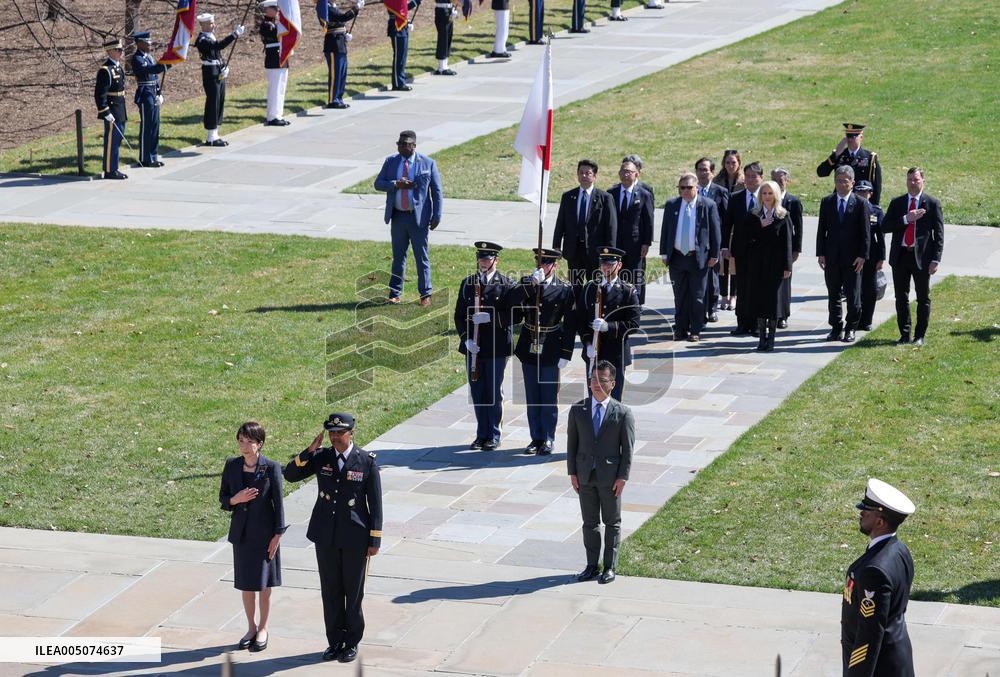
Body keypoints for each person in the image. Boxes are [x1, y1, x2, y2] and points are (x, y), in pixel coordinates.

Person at [283, 413, 382, 664]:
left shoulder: (366, 461)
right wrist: (308, 451)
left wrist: (374, 540)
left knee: (353, 591)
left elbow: (376, 505)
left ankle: (351, 642)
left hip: (355, 537)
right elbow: (290, 474)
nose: (335, 437)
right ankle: (334, 641)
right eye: (331, 433)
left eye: (340, 433)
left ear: (351, 433)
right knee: (330, 590)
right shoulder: (322, 457)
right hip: (325, 535)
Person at [219, 422, 287, 653]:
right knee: (246, 583)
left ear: (259, 444)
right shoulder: (232, 466)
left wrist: (277, 535)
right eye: (241, 441)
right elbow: (224, 498)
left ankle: (264, 628)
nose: (244, 446)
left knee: (264, 585)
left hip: (265, 534)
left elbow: (278, 503)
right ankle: (251, 627)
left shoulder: (271, 468)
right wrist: (235, 499)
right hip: (242, 534)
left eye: (249, 441)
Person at [566, 360, 635, 585]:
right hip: (585, 475)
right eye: (593, 380)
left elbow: (628, 449)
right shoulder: (577, 410)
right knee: (589, 523)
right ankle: (591, 565)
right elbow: (572, 445)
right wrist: (573, 473)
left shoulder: (623, 413)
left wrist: (622, 477)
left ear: (612, 383)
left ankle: (610, 566)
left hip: (610, 477)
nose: (596, 384)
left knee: (612, 522)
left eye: (602, 380)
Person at [506, 248, 576, 455]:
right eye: (539, 262)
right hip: (528, 345)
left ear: (555, 265)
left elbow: (570, 324)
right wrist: (530, 286)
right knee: (532, 395)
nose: (542, 266)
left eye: (546, 263)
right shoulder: (528, 283)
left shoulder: (564, 289)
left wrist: (566, 352)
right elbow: (511, 301)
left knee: (547, 396)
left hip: (551, 345)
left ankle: (548, 438)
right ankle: (535, 437)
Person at [842, 478, 916, 676]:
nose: (861, 512)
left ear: (880, 522)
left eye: (867, 510)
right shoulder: (900, 550)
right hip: (897, 655)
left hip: (879, 668)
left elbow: (870, 634)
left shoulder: (873, 571)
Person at [454, 241, 514, 451]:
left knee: (493, 392)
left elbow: (513, 317)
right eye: (481, 258)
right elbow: (459, 316)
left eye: (487, 259)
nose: (483, 262)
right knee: (477, 391)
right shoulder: (468, 283)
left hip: (495, 347)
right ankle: (481, 433)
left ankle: (494, 434)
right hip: (474, 348)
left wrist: (491, 317)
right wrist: (466, 339)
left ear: (496, 260)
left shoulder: (506, 284)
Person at [373, 130, 443, 305]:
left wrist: (437, 215)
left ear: (414, 146)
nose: (403, 147)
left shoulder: (428, 163)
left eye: (406, 144)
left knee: (421, 257)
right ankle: (395, 293)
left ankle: (425, 294)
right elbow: (378, 184)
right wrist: (395, 184)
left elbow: (437, 191)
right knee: (398, 256)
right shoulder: (391, 162)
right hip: (398, 217)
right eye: (400, 144)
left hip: (418, 219)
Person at [882, 167, 943, 346]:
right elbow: (885, 226)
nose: (912, 183)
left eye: (916, 180)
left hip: (922, 259)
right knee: (901, 297)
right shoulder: (897, 203)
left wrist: (935, 259)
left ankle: (919, 336)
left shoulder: (932, 203)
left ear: (923, 181)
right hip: (900, 257)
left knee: (923, 297)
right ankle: (904, 334)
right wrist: (906, 219)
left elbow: (939, 235)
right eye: (909, 179)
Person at [660, 172, 720, 342]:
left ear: (697, 188)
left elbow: (715, 232)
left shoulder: (708, 205)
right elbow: (666, 230)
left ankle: (696, 329)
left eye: (689, 187)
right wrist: (664, 252)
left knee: (697, 296)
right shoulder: (672, 205)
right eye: (682, 188)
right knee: (680, 295)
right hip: (677, 257)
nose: (685, 191)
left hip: (698, 258)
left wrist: (714, 254)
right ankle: (680, 329)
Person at [576, 247, 640, 401]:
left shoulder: (628, 291)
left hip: (615, 353)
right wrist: (587, 343)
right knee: (594, 398)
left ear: (619, 265)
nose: (606, 267)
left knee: (613, 400)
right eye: (603, 264)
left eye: (610, 264)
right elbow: (581, 320)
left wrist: (608, 326)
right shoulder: (590, 288)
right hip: (594, 354)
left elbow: (634, 324)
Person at [817, 165, 870, 343]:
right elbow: (821, 230)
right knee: (833, 294)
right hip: (832, 257)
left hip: (853, 258)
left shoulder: (860, 203)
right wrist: (821, 253)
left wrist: (863, 255)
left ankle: (851, 328)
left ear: (852, 183)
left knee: (853, 296)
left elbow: (865, 232)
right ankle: (836, 327)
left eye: (844, 182)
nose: (840, 185)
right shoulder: (827, 202)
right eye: (838, 181)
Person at [741, 181, 792, 352]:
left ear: (776, 195)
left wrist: (787, 266)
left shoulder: (783, 215)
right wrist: (759, 227)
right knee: (760, 302)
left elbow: (787, 244)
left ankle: (771, 339)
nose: (767, 197)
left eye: (770, 193)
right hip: (757, 265)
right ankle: (761, 338)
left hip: (775, 266)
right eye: (764, 193)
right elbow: (745, 240)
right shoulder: (753, 215)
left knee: (773, 303)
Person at [552, 159, 617, 287]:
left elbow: (611, 226)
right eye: (581, 172)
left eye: (588, 173)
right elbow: (561, 222)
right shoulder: (568, 196)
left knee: (595, 286)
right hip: (573, 250)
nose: (584, 176)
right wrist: (556, 245)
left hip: (595, 252)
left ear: (595, 176)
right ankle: (577, 307)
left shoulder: (605, 198)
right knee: (574, 285)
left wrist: (609, 253)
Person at [195, 14, 245, 146]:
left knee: (220, 100)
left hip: (217, 70)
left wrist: (224, 67)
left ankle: (215, 133)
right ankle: (211, 136)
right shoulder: (202, 40)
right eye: (211, 23)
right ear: (203, 25)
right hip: (210, 72)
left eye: (213, 22)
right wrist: (234, 35)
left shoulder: (210, 36)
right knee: (213, 101)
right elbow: (218, 46)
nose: (214, 25)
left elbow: (217, 54)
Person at [609, 158, 654, 304]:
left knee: (636, 274)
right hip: (616, 242)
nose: (625, 174)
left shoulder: (644, 194)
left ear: (637, 175)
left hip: (636, 243)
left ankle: (636, 304)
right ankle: (618, 302)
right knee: (617, 272)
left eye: (629, 171)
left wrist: (646, 243)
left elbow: (648, 221)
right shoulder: (611, 193)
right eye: (623, 171)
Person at [724, 161, 762, 335]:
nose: (751, 179)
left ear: (761, 178)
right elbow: (727, 224)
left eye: (754, 176)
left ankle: (755, 324)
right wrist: (725, 246)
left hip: (760, 251)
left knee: (756, 287)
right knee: (741, 286)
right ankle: (742, 323)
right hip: (740, 250)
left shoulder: (766, 197)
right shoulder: (735, 198)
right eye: (747, 176)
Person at [695, 157, 730, 323]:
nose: (703, 173)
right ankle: (698, 309)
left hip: (713, 242)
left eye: (706, 170)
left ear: (712, 172)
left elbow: (725, 219)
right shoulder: (689, 189)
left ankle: (712, 309)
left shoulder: (720, 191)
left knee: (713, 278)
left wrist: (722, 245)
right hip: (694, 242)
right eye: (700, 169)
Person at [817, 123, 882, 205]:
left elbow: (876, 185)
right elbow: (821, 172)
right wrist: (835, 155)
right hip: (841, 199)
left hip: (860, 202)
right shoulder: (839, 155)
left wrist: (874, 207)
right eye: (848, 136)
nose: (850, 140)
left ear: (861, 137)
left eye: (854, 136)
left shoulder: (869, 157)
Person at [130, 31, 169, 168]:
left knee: (154, 126)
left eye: (149, 42)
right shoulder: (137, 59)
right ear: (139, 43)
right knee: (147, 127)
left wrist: (159, 93)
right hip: (145, 93)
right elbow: (151, 70)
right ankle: (145, 158)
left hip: (153, 93)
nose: (149, 44)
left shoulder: (149, 57)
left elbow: (155, 78)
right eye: (147, 42)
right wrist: (166, 63)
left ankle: (153, 156)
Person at [771, 167, 803, 328]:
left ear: (787, 181)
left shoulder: (793, 201)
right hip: (770, 249)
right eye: (774, 180)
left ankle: (783, 315)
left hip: (787, 248)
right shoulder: (766, 199)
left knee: (785, 282)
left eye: (780, 180)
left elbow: (799, 227)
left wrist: (796, 249)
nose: (777, 183)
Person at [713, 150, 744, 311]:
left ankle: (734, 296)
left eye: (734, 162)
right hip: (722, 226)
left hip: (738, 228)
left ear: (739, 163)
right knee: (723, 264)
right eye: (727, 162)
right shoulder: (717, 181)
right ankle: (723, 296)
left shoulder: (744, 181)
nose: (731, 165)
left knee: (735, 264)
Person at [95, 38, 128, 180]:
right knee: (111, 141)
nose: (121, 52)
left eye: (121, 50)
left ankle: (114, 167)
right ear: (109, 51)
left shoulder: (118, 67)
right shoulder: (105, 70)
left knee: (117, 140)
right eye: (118, 50)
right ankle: (109, 170)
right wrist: (105, 111)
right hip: (112, 109)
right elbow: (99, 94)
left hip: (120, 108)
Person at [318, 0, 362, 109]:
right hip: (333, 44)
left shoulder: (333, 6)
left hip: (340, 43)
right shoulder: (326, 7)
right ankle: (333, 100)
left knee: (342, 73)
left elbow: (338, 23)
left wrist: (346, 33)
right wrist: (356, 8)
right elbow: (342, 17)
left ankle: (339, 98)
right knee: (335, 74)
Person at [854, 180, 885, 331]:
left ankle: (866, 320)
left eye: (865, 192)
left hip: (871, 255)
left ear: (870, 194)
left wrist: (881, 257)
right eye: (859, 192)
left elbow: (881, 236)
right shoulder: (851, 209)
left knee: (870, 290)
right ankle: (854, 319)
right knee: (854, 289)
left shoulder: (876, 211)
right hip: (853, 254)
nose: (862, 195)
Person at [258, 0, 290, 126]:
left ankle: (278, 114)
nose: (277, 11)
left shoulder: (275, 23)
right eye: (275, 8)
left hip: (282, 58)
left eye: (277, 8)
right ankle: (272, 116)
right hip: (273, 59)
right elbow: (277, 32)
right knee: (275, 89)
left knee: (281, 88)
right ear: (267, 10)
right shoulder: (265, 25)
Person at [387, 0, 419, 91]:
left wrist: (415, 2)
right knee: (399, 57)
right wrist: (414, 3)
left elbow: (404, 8)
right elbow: (398, 9)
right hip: (396, 26)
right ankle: (398, 83)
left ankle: (400, 81)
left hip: (402, 25)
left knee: (402, 57)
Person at [434, 0, 458, 74]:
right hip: (442, 10)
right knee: (443, 38)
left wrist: (452, 8)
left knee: (448, 37)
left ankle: (445, 65)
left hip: (448, 9)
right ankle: (442, 67)